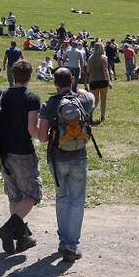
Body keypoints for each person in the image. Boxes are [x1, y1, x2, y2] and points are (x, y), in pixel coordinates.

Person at [38, 67, 96, 262]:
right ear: (72, 80)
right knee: (77, 200)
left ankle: (63, 241)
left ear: (54, 83)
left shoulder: (49, 104)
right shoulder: (84, 100)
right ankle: (72, 244)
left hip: (56, 157)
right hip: (79, 156)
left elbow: (42, 138)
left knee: (62, 198)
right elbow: (91, 96)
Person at [0, 61, 42, 253]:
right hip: (22, 151)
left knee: (14, 195)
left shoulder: (2, 95)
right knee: (32, 193)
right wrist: (44, 135)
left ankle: (20, 237)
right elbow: (32, 129)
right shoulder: (32, 98)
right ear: (30, 76)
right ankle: (8, 229)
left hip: (4, 151)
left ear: (13, 75)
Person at [86, 41, 111, 122]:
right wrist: (109, 81)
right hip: (103, 80)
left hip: (93, 80)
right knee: (103, 100)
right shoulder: (104, 58)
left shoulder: (90, 58)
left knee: (95, 100)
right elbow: (105, 70)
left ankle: (90, 114)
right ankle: (102, 117)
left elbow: (88, 70)